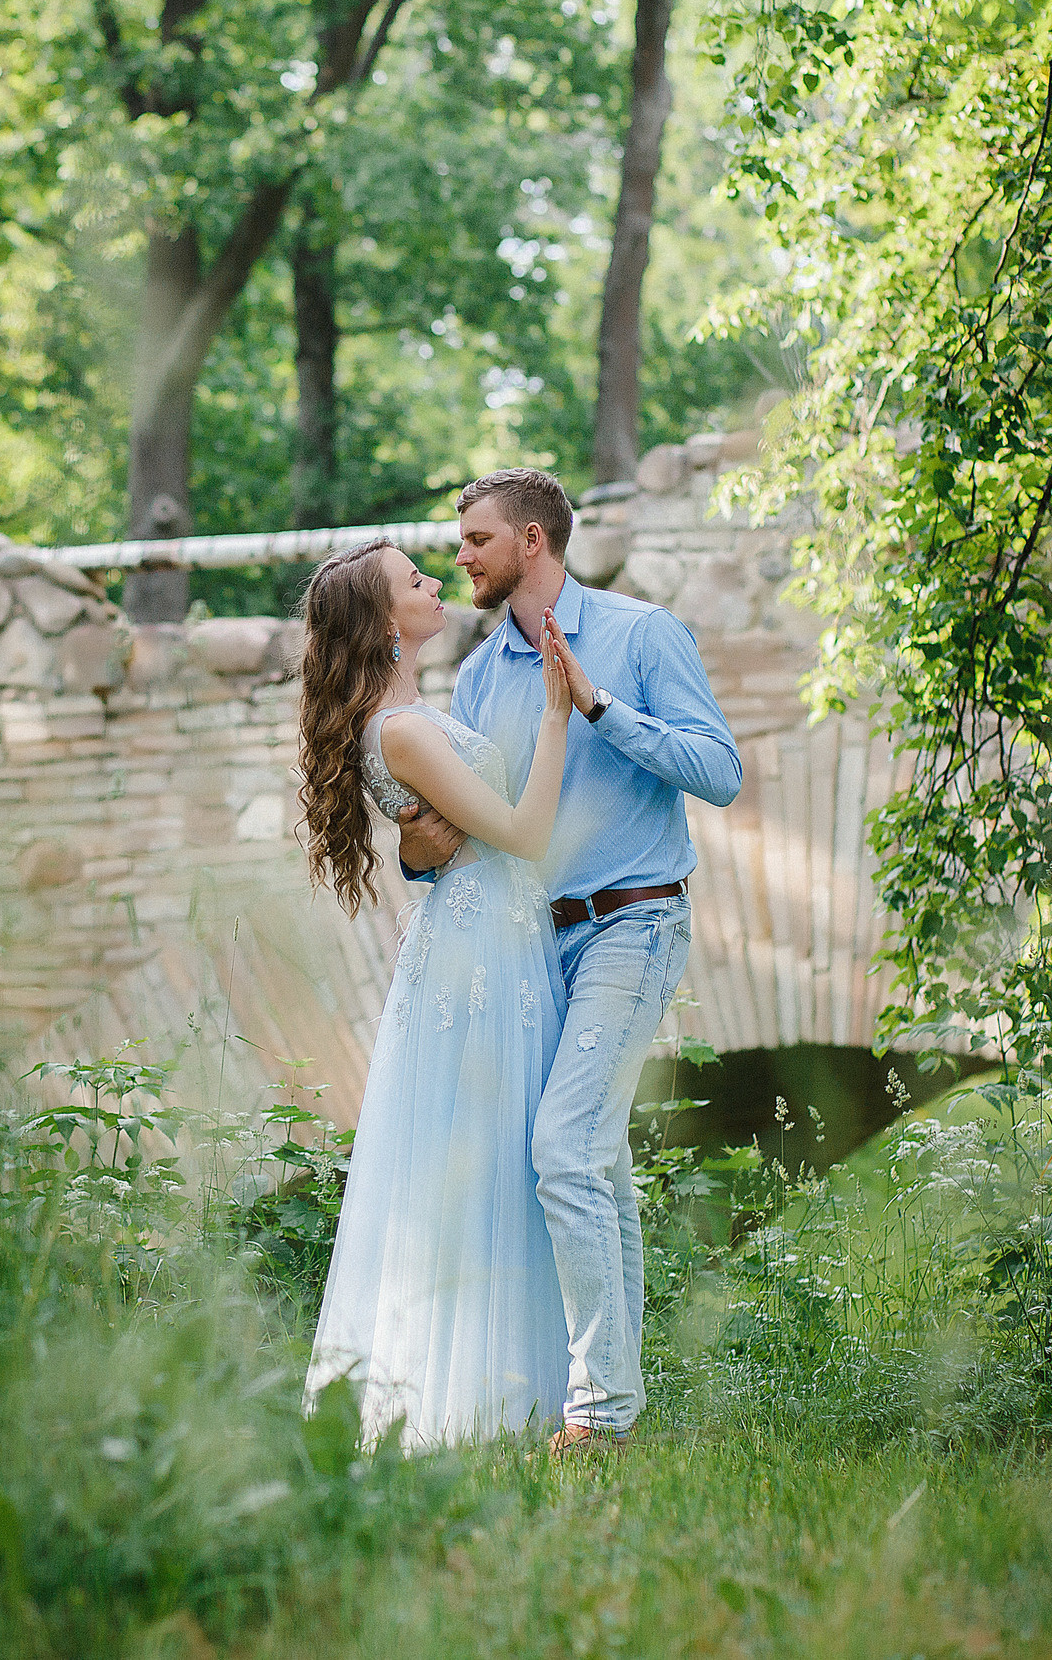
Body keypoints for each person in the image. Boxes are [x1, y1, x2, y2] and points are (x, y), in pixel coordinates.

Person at [398, 467, 741, 1454]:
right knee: (584, 1158)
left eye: (474, 539)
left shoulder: (640, 636)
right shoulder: (473, 679)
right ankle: (615, 1403)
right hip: (526, 945)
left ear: (533, 542)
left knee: (563, 1148)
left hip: (632, 925)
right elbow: (482, 831)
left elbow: (718, 772)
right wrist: (419, 860)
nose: (458, 556)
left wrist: (594, 708)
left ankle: (597, 1417)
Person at [294, 538, 581, 1446]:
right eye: (415, 580)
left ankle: (507, 1397)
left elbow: (446, 842)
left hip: (484, 938)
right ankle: (485, 1408)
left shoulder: (411, 714)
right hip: (480, 953)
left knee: (496, 1162)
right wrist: (556, 718)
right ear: (387, 624)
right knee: (494, 1164)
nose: (434, 583)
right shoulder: (407, 729)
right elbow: (526, 834)